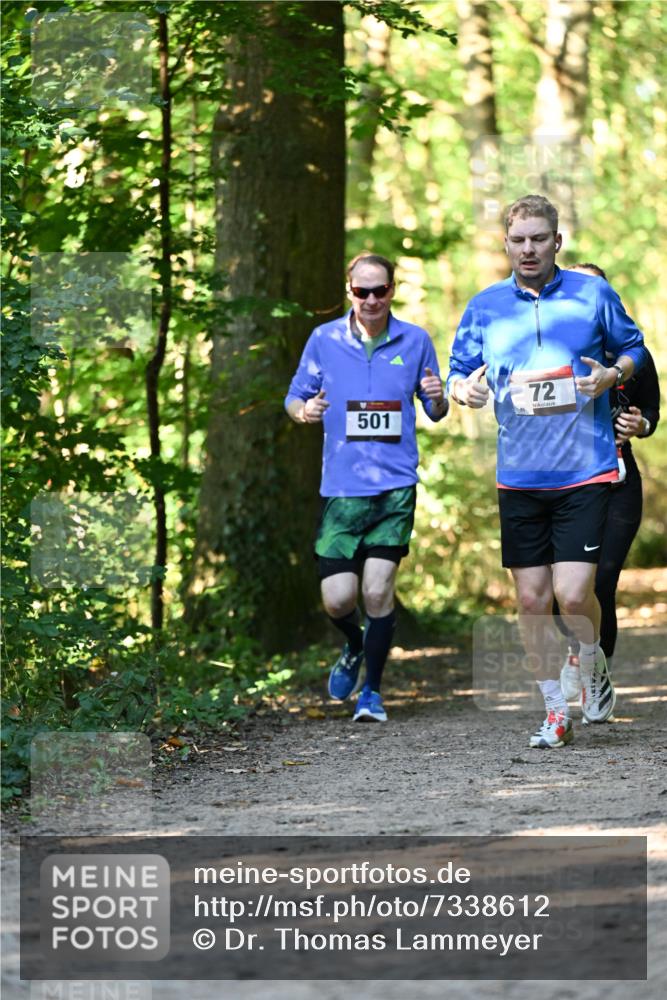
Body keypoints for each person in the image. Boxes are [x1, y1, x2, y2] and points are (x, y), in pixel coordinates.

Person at [447, 195, 647, 749]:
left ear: (557, 241)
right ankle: (555, 710)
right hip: (519, 476)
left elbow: (637, 349)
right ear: (506, 243)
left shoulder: (593, 294)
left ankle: (592, 659)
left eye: (539, 238)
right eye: (518, 240)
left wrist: (612, 374)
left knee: (573, 592)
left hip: (585, 469)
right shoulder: (485, 306)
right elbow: (459, 371)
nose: (528, 248)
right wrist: (465, 389)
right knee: (533, 600)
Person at [285, 252, 447, 722]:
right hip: (341, 489)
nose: (372, 299)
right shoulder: (325, 339)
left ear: (393, 290)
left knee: (377, 593)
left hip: (395, 488)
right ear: (349, 291)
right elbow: (295, 397)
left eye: (380, 290)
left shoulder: (415, 340)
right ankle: (354, 644)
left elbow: (434, 408)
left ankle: (371, 694)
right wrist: (304, 412)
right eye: (362, 291)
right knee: (338, 599)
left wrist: (437, 400)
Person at [558, 264, 661, 708]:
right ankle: (579, 653)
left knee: (601, 582)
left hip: (619, 483)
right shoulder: (550, 350)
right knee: (560, 589)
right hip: (561, 484)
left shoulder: (634, 356)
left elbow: (651, 413)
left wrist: (640, 423)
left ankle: (595, 671)